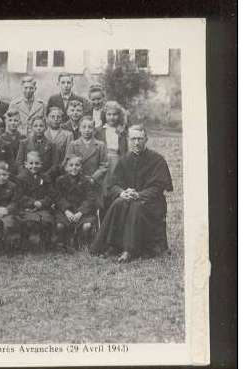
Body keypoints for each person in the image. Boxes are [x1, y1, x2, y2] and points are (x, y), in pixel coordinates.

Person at [91, 125, 173, 263]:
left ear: (146, 139)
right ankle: (110, 245)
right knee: (118, 202)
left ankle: (129, 250)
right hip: (129, 199)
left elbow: (158, 187)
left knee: (136, 206)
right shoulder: (124, 160)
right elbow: (113, 185)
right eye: (133, 139)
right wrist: (122, 192)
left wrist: (139, 195)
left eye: (140, 139)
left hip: (151, 203)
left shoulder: (157, 159)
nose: (136, 143)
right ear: (128, 139)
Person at [54, 156, 98, 252]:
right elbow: (58, 198)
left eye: (77, 165)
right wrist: (66, 211)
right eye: (71, 165)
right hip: (66, 211)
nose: (74, 168)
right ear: (66, 167)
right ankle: (63, 242)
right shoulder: (60, 180)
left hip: (82, 212)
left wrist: (80, 212)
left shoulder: (87, 181)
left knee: (87, 225)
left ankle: (82, 241)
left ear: (81, 167)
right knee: (59, 225)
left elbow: (90, 199)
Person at [17, 151, 55, 250]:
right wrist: (32, 202)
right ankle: (25, 243)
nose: (34, 166)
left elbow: (51, 195)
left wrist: (42, 203)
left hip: (42, 207)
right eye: (31, 163)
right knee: (30, 222)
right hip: (27, 208)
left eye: (37, 163)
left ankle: (45, 243)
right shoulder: (20, 178)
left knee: (47, 220)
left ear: (41, 164)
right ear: (25, 164)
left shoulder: (45, 177)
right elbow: (19, 196)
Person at [95, 100, 128, 207]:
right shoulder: (99, 130)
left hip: (117, 161)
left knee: (115, 186)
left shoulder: (121, 131)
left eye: (115, 114)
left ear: (119, 116)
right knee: (103, 189)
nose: (112, 117)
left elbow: (124, 150)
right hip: (103, 162)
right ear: (104, 115)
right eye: (109, 114)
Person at [64, 117, 109, 192]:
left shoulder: (100, 145)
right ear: (79, 129)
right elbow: (67, 163)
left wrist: (93, 178)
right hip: (77, 182)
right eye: (84, 127)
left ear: (94, 130)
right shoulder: (73, 144)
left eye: (90, 127)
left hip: (95, 182)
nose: (87, 130)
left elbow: (104, 165)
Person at [45, 106, 74, 182]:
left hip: (62, 171)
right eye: (52, 116)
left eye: (58, 117)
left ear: (61, 119)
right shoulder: (43, 134)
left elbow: (69, 155)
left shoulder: (68, 135)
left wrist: (61, 168)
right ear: (47, 118)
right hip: (45, 172)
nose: (55, 119)